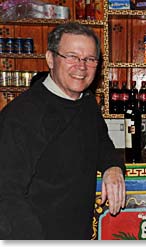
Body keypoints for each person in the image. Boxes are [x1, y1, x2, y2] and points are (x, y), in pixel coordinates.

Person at [0, 22, 126, 239]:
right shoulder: (21, 115)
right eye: (72, 57)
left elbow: (101, 142)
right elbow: (7, 195)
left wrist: (112, 167)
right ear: (50, 59)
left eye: (89, 59)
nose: (82, 66)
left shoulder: (86, 103)